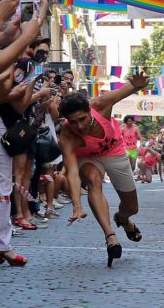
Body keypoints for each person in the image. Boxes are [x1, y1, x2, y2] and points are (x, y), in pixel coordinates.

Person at [60, 72, 150, 267]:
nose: (79, 126)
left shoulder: (100, 104)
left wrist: (137, 85)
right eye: (73, 122)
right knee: (93, 181)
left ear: (89, 110)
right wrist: (77, 206)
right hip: (88, 158)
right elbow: (73, 173)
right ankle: (110, 235)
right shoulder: (67, 135)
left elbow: (128, 89)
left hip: (114, 151)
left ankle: (123, 219)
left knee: (131, 207)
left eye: (82, 119)